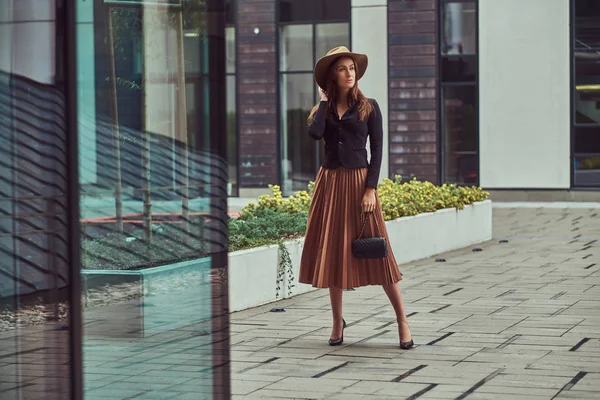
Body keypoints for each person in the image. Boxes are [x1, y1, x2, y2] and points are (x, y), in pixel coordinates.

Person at [298, 46, 414, 350]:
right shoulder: (321, 110)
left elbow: (377, 151)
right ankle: (337, 321)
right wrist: (324, 103)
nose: (349, 73)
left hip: (360, 182)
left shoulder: (369, 107)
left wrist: (371, 189)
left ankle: (402, 319)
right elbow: (314, 134)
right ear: (332, 76)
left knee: (381, 253)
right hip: (329, 184)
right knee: (333, 252)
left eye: (352, 68)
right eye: (342, 69)